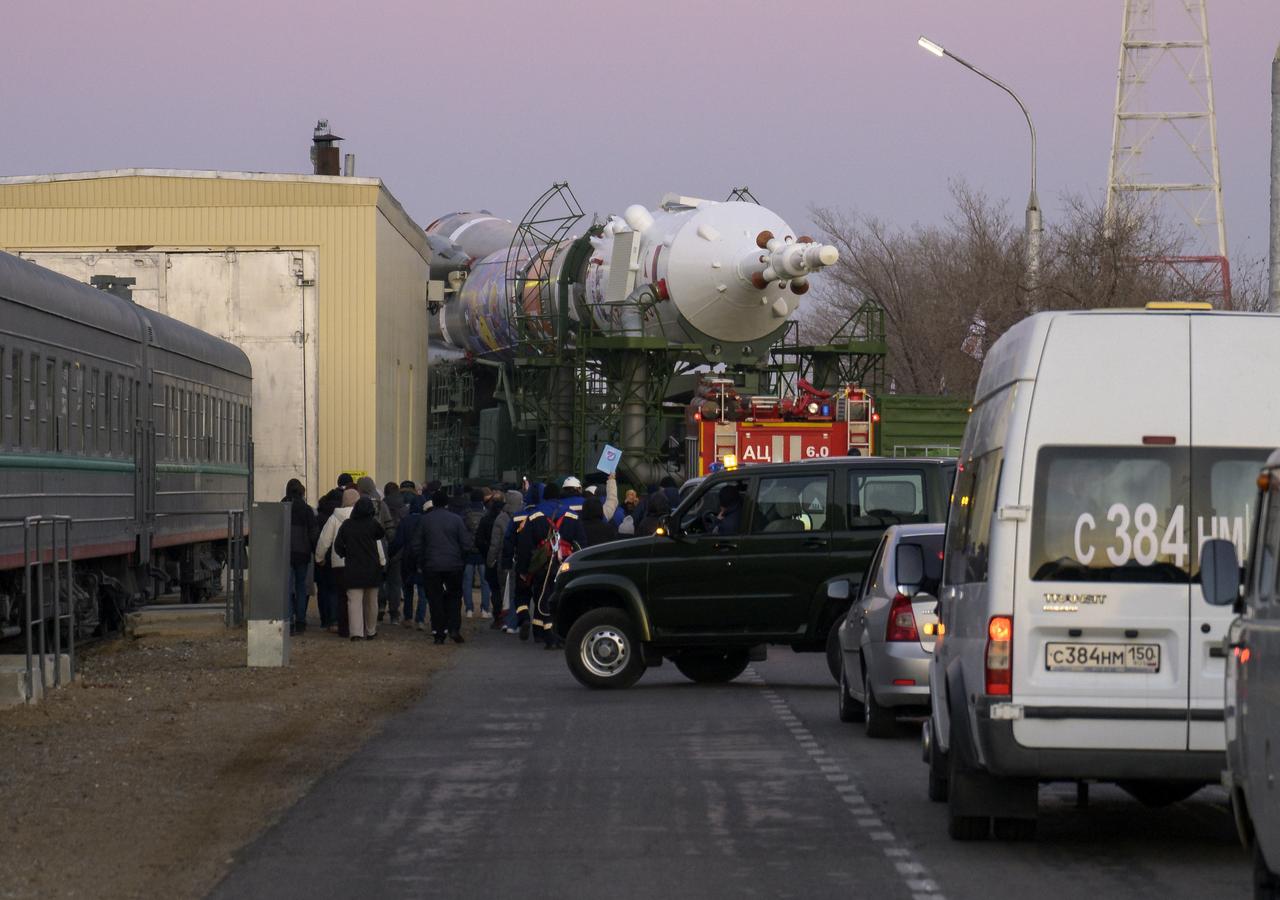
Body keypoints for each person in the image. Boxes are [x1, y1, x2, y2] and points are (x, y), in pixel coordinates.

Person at [413, 489, 473, 644]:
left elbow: (417, 544)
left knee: (435, 599)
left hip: (431, 565)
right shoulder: (456, 520)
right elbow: (466, 544)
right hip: (453, 564)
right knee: (454, 597)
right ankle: (454, 628)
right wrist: (461, 558)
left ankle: (438, 632)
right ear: (447, 503)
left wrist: (421, 561)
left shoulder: (425, 520)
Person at [334, 497, 385, 641]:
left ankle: (356, 633)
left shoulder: (347, 525)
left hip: (353, 568)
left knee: (354, 602)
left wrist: (346, 553)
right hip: (372, 568)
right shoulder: (372, 524)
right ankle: (371, 630)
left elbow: (338, 545)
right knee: (372, 602)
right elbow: (381, 533)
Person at [315, 488, 359, 636]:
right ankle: (357, 627)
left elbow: (324, 540)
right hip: (357, 562)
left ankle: (341, 626)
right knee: (356, 596)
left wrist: (319, 558)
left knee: (340, 595)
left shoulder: (334, 518)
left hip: (338, 562)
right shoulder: (362, 517)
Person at [283, 479, 318, 635]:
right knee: (301, 587)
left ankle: (288, 621)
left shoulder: (281, 508)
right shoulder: (307, 510)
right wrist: (315, 551)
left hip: (285, 555)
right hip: (303, 554)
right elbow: (313, 534)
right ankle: (301, 622)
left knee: (287, 588)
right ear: (302, 493)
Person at [390, 492, 428, 629]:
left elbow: (398, 541)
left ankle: (408, 617)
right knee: (423, 591)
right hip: (422, 559)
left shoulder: (405, 521)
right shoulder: (426, 520)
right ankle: (420, 619)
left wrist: (390, 554)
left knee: (408, 589)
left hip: (407, 558)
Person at [488, 489, 522, 632]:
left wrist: (490, 560)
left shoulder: (501, 518)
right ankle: (515, 621)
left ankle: (505, 620)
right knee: (517, 592)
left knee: (504, 591)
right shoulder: (523, 516)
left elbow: (494, 543)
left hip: (503, 559)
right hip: (519, 558)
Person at [461, 488, 492, 618]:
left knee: (467, 581)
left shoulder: (466, 513)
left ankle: (469, 609)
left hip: (468, 552)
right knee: (485, 582)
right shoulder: (486, 513)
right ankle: (485, 609)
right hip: (482, 551)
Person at [380, 481, 406, 624]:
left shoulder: (381, 506)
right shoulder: (403, 508)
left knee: (380, 580)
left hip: (382, 547)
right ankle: (394, 613)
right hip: (398, 550)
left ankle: (381, 606)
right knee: (395, 583)